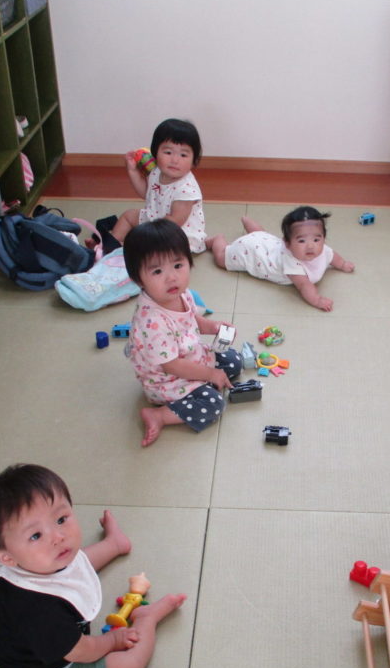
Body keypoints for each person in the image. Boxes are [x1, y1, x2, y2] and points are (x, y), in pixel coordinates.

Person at [0, 463, 187, 668]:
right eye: (35, 535)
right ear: (6, 557)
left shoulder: (31, 560)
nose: (58, 537)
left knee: (72, 562)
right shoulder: (38, 613)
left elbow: (74, 564)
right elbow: (82, 651)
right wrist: (112, 640)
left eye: (61, 519)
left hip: (41, 631)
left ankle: (114, 544)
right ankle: (147, 619)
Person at [123, 219, 242, 447]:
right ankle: (160, 415)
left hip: (190, 357)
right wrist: (210, 374)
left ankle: (206, 380)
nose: (172, 277)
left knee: (233, 360)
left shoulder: (181, 293)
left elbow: (192, 319)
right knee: (212, 405)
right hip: (167, 379)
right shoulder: (151, 321)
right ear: (138, 279)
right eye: (157, 271)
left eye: (178, 265)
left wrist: (213, 327)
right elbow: (172, 366)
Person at [209, 206, 355, 311]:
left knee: (262, 235)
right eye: (302, 241)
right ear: (287, 244)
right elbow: (304, 285)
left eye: (316, 239)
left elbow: (332, 255)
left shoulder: (322, 250)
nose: (311, 246)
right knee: (221, 259)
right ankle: (217, 240)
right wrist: (317, 300)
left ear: (323, 238)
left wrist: (342, 264)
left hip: (264, 241)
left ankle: (249, 224)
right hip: (251, 250)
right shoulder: (292, 263)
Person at [102, 118, 208, 254]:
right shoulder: (156, 171)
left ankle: (126, 249)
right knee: (128, 216)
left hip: (177, 234)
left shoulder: (186, 189)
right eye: (168, 152)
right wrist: (133, 171)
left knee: (152, 249)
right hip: (155, 219)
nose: (175, 160)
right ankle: (110, 245)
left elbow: (174, 222)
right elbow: (147, 193)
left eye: (183, 155)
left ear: (194, 160)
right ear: (155, 152)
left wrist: (146, 232)